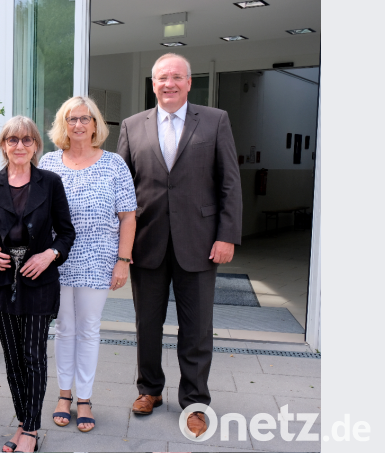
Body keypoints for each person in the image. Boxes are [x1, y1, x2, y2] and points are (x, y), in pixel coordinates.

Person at [116, 53, 242, 438]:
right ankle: (149, 389)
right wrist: (120, 244)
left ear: (189, 82)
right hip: (147, 242)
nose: (168, 84)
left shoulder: (215, 120)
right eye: (161, 78)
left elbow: (229, 183)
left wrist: (227, 235)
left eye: (176, 77)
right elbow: (121, 191)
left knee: (197, 327)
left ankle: (195, 401)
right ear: (152, 84)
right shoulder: (132, 125)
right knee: (146, 323)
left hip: (201, 243)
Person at [0, 116, 75, 453]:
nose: (19, 146)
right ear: (3, 145)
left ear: (36, 145)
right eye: (12, 140)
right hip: (3, 282)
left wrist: (49, 255)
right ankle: (23, 419)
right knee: (12, 358)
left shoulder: (50, 182)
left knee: (33, 356)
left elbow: (66, 233)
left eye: (27, 140)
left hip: (39, 282)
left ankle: (31, 429)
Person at [39, 96, 137, 433]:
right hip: (58, 259)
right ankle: (64, 395)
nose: (78, 125)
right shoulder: (49, 162)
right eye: (72, 119)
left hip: (98, 259)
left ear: (96, 124)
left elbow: (128, 217)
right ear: (63, 125)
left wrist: (122, 261)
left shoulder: (114, 164)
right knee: (65, 327)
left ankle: (85, 398)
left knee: (89, 328)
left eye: (85, 118)